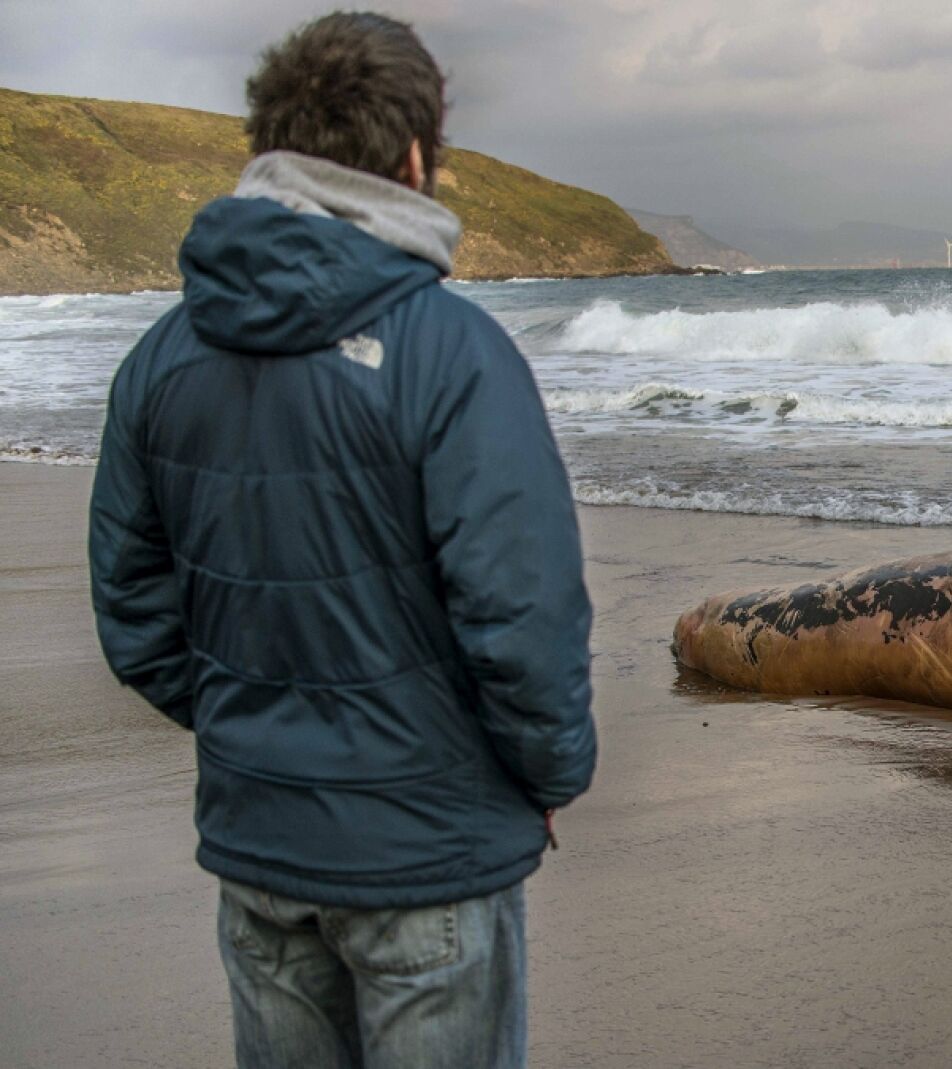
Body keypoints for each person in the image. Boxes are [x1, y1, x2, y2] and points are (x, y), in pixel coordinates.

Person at [87, 11, 597, 1067]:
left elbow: (134, 611)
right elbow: (520, 615)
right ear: (413, 158)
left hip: (260, 844)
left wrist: (258, 727)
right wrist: (547, 775)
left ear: (269, 141)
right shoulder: (453, 352)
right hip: (430, 851)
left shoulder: (160, 357)